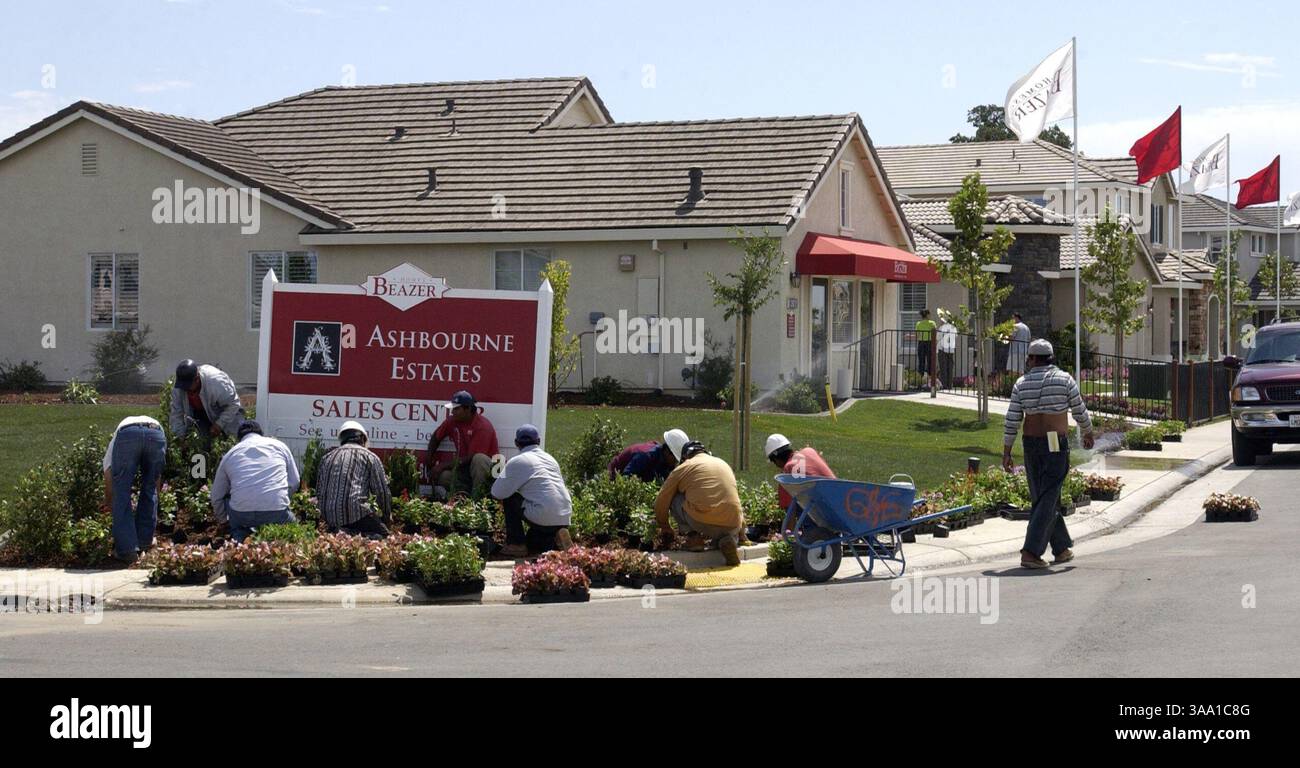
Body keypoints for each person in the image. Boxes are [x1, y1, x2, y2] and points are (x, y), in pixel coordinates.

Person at [1002, 339, 1095, 569]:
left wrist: (1007, 451)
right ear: (1051, 358)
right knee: (1048, 494)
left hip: (1031, 443)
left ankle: (1061, 548)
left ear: (1033, 358)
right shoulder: (1065, 379)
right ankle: (1031, 552)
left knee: (1042, 496)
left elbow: (1012, 419)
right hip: (1055, 443)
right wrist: (1087, 431)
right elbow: (1078, 408)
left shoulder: (1021, 383)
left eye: (1029, 358)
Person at [653, 436, 743, 566]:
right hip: (733, 524)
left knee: (674, 497)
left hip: (701, 521)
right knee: (727, 501)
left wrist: (665, 526)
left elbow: (661, 500)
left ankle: (694, 538)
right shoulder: (723, 464)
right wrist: (742, 532)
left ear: (685, 457)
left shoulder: (684, 467)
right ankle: (727, 540)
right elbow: (733, 499)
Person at [210, 420, 300, 542]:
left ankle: (239, 540)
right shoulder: (280, 446)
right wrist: (281, 499)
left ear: (239, 438)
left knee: (227, 500)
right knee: (294, 531)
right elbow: (295, 482)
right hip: (276, 512)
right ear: (261, 433)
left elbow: (216, 496)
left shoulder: (230, 454)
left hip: (242, 514)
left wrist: (223, 521)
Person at [491, 425, 573, 558]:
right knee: (534, 543)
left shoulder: (517, 461)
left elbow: (497, 493)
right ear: (538, 442)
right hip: (564, 515)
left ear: (516, 443)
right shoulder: (550, 459)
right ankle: (557, 536)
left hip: (541, 515)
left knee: (510, 498)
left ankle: (516, 544)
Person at [101, 415, 167, 563]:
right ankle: (145, 542)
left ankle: (127, 550)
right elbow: (156, 480)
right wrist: (156, 499)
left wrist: (109, 501)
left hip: (127, 433)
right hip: (156, 432)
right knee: (149, 488)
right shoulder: (156, 429)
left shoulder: (114, 443)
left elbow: (108, 474)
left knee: (122, 491)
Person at [316, 420, 392, 538]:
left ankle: (340, 533)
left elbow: (319, 492)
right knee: (384, 536)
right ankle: (352, 535)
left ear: (342, 439)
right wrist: (386, 517)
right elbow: (381, 492)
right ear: (362, 438)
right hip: (356, 514)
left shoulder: (327, 457)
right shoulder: (369, 456)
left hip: (330, 517)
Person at [426, 390, 498, 498]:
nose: (452, 412)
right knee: (444, 477)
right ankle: (463, 498)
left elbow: (470, 458)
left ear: (468, 409)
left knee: (479, 459)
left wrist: (442, 466)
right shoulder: (453, 421)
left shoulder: (482, 426)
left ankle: (479, 501)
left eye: (456, 409)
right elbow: (436, 437)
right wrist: (429, 458)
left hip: (491, 473)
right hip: (467, 471)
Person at [764, 434, 836, 533]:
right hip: (837, 503)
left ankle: (812, 532)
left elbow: (790, 509)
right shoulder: (809, 451)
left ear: (776, 459)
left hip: (823, 512)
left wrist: (789, 534)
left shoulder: (789, 469)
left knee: (799, 502)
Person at [169, 359, 244, 439]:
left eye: (187, 386)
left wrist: (219, 424)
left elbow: (233, 404)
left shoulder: (216, 382)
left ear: (197, 379)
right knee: (201, 441)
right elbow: (176, 414)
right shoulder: (179, 387)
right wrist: (181, 437)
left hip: (227, 411)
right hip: (200, 413)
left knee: (236, 437)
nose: (185, 389)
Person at [607, 438, 677, 483]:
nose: (676, 462)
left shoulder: (665, 460)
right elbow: (626, 477)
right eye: (675, 458)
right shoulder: (645, 455)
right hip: (613, 477)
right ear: (668, 452)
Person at [915, 309, 937, 380]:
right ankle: (930, 378)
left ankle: (920, 378)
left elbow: (917, 335)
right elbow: (935, 334)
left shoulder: (918, 323)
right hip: (929, 343)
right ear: (927, 315)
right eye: (929, 314)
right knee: (930, 361)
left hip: (921, 343)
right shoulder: (932, 323)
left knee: (921, 361)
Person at [937, 315, 958, 389]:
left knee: (943, 367)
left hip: (942, 349)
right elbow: (955, 336)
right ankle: (950, 384)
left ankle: (944, 384)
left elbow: (937, 337)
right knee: (950, 367)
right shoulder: (954, 328)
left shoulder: (942, 328)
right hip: (951, 349)